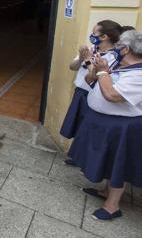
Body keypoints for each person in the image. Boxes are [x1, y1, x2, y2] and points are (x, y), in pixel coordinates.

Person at [68, 30, 142, 220]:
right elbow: (90, 81)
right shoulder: (118, 64)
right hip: (104, 121)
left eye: (119, 47)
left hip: (121, 126)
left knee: (118, 164)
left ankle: (112, 207)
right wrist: (95, 69)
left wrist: (101, 71)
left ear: (125, 49)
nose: (116, 50)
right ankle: (105, 192)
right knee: (108, 160)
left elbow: (112, 95)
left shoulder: (138, 74)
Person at [60, 21, 121, 145]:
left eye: (94, 33)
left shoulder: (113, 57)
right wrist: (82, 58)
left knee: (88, 128)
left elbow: (96, 76)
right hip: (80, 93)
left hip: (93, 96)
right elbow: (72, 67)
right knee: (76, 124)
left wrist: (88, 60)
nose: (91, 35)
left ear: (104, 37)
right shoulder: (91, 49)